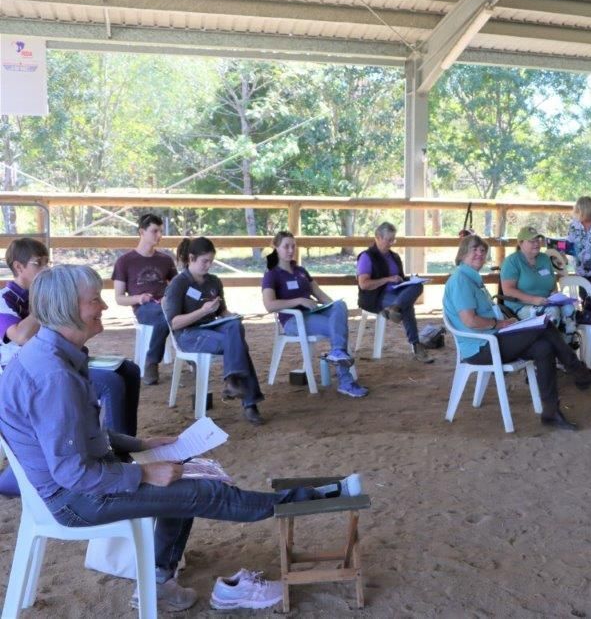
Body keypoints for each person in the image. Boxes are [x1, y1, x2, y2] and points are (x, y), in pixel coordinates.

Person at [0, 264, 363, 612]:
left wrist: (141, 445)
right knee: (203, 492)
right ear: (68, 309)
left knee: (183, 470)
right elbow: (72, 474)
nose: (104, 306)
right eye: (94, 299)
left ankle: (159, 579)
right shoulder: (54, 377)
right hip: (74, 499)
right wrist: (144, 473)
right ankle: (311, 497)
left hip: (77, 482)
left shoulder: (51, 354)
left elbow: (75, 433)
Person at [443, 235, 591, 431]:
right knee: (544, 326)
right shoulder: (461, 280)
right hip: (480, 347)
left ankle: (550, 412)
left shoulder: (473, 279)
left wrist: (504, 324)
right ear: (463, 252)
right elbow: (470, 320)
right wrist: (500, 324)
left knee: (544, 347)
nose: (480, 254)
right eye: (475, 250)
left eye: (483, 251)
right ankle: (579, 371)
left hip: (492, 339)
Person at [0, 238, 140, 436]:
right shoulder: (5, 298)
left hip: (58, 357)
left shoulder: (41, 293)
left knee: (129, 370)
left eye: (46, 262)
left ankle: (125, 440)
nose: (45, 268)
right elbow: (21, 336)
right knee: (111, 383)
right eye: (37, 263)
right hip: (31, 371)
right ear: (18, 267)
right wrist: (48, 302)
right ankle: (115, 452)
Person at [163, 237, 266, 426]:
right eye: (205, 261)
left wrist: (231, 315)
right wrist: (202, 311)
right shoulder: (179, 284)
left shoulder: (214, 282)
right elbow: (175, 323)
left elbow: (222, 312)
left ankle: (233, 382)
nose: (208, 265)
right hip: (188, 334)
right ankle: (248, 402)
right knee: (236, 343)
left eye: (211, 261)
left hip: (210, 328)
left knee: (235, 326)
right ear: (191, 258)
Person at [261, 231, 368, 398]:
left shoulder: (301, 270)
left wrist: (334, 308)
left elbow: (320, 294)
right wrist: (299, 301)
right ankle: (345, 381)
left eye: (293, 246)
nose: (290, 250)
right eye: (286, 246)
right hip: (293, 320)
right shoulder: (271, 274)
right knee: (337, 329)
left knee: (339, 305)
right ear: (276, 248)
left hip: (312, 314)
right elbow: (269, 305)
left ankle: (338, 353)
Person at [112, 213, 178, 385]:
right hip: (144, 308)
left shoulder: (165, 259)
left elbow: (177, 285)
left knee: (178, 313)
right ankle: (152, 361)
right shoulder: (124, 261)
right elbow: (119, 298)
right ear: (142, 231)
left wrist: (170, 297)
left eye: (161, 231)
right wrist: (139, 298)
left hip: (166, 305)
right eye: (155, 231)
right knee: (165, 316)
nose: (159, 236)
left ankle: (191, 353)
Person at [356, 222, 434, 364]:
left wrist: (411, 280)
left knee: (418, 287)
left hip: (397, 294)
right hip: (377, 296)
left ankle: (394, 308)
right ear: (378, 237)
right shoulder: (366, 257)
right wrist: (387, 279)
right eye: (389, 240)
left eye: (394, 239)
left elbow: (399, 278)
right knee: (407, 307)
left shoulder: (394, 257)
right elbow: (364, 284)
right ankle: (416, 345)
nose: (392, 243)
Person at [499, 226, 575, 340]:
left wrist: (555, 295)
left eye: (538, 240)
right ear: (520, 243)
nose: (536, 243)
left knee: (569, 308)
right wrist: (533, 300)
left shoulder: (544, 258)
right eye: (531, 241)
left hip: (546, 302)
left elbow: (552, 282)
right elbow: (508, 290)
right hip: (521, 306)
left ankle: (568, 347)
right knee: (551, 312)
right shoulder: (512, 261)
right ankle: (550, 349)